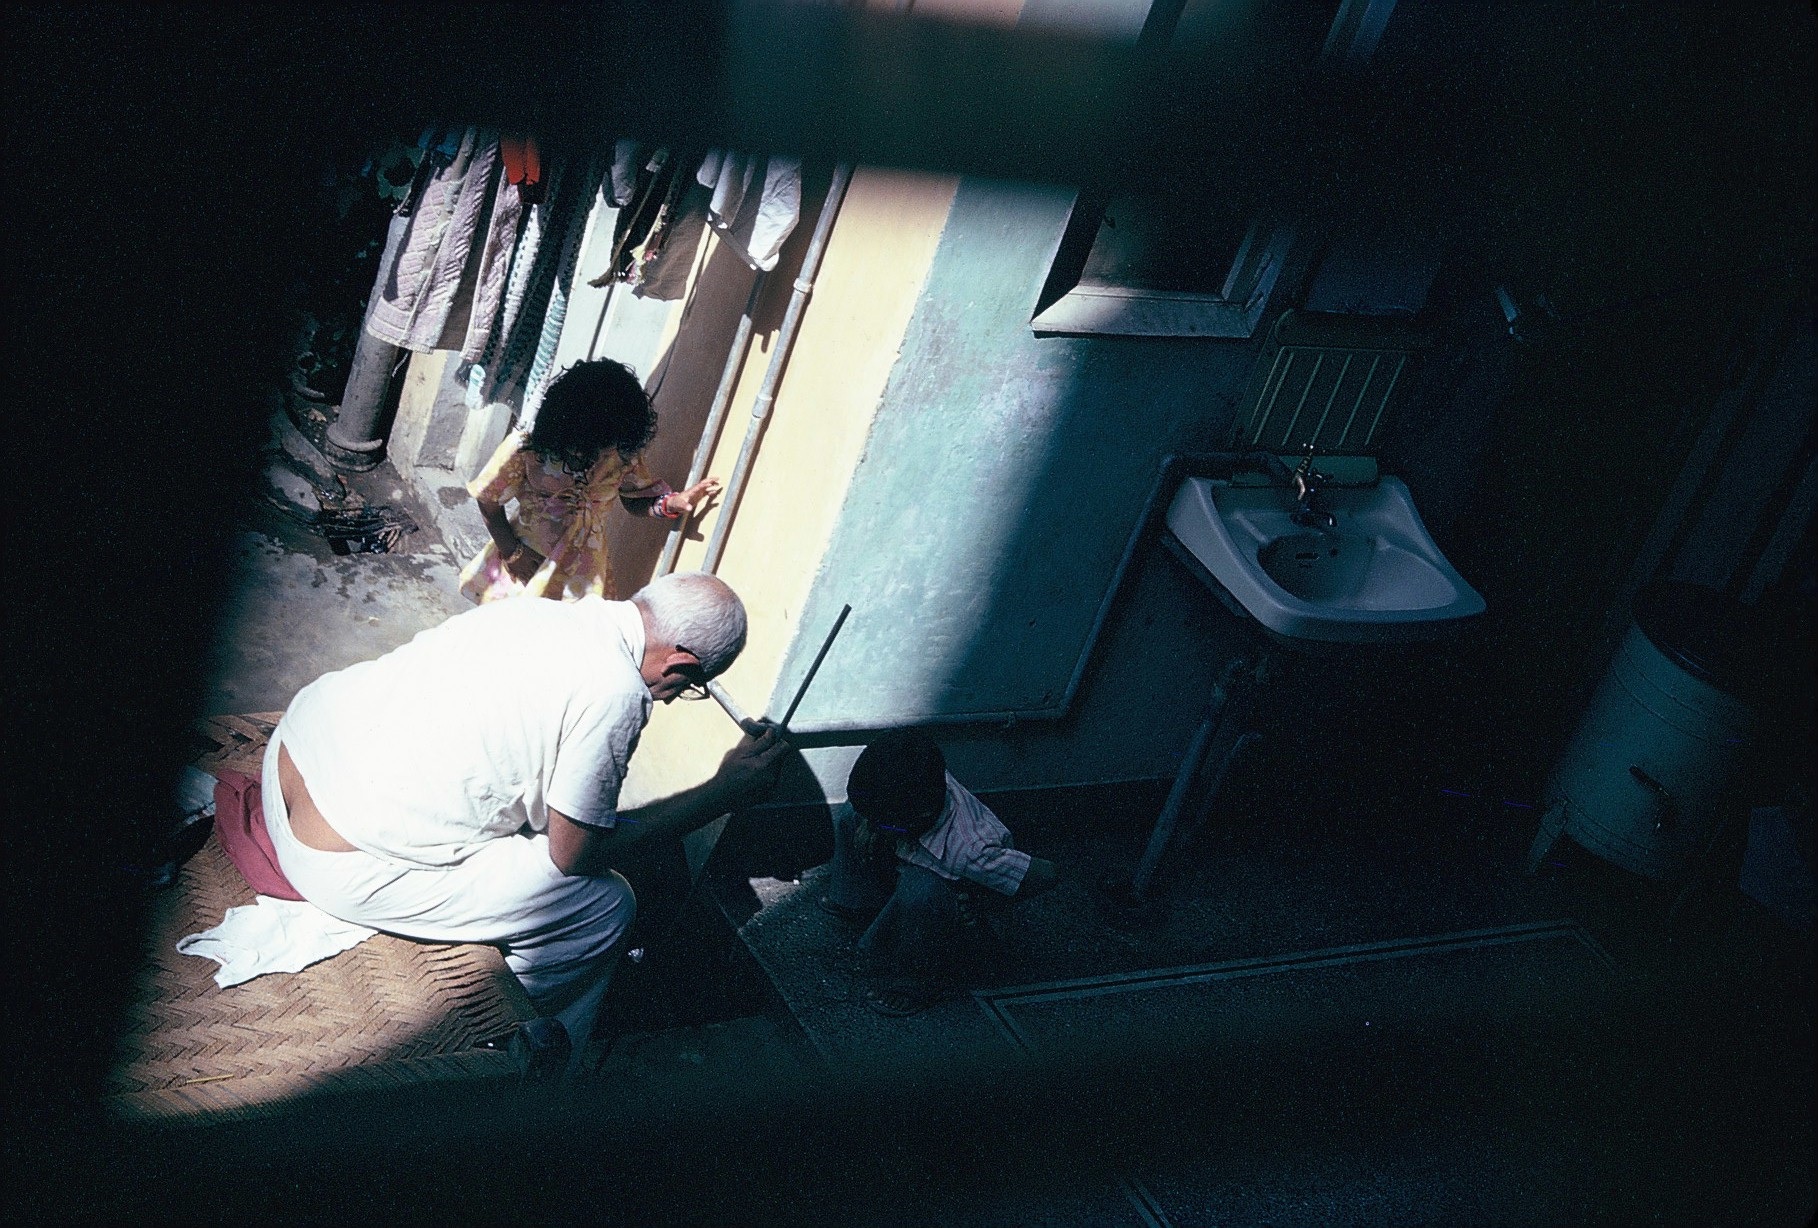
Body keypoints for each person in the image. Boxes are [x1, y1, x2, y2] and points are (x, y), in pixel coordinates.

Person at [263, 570, 787, 1072]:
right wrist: (721, 794)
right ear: (680, 663)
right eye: (690, 687)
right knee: (605, 904)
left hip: (288, 759)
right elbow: (575, 855)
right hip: (334, 861)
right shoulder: (617, 691)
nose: (671, 700)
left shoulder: (541, 611)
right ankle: (509, 1049)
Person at [820, 729, 1058, 1016]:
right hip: (913, 856)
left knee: (921, 893)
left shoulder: (972, 852)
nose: (871, 824)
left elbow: (1047, 874)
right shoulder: (918, 781)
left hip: (956, 913)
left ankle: (912, 983)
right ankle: (856, 902)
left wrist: (980, 901)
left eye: (881, 823)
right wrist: (871, 824)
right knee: (852, 815)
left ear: (918, 818)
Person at [460, 357, 720, 604]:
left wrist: (670, 503)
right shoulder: (529, 448)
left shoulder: (621, 456)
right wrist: (512, 553)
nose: (599, 452)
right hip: (527, 568)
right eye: (594, 440)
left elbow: (635, 499)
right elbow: (488, 500)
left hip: (585, 583)